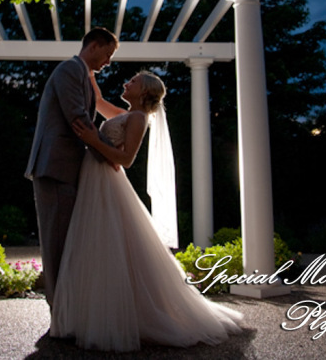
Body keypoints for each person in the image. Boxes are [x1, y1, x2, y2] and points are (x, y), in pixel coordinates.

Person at [50, 71, 246, 352]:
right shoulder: (124, 113)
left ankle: (114, 319)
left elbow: (127, 160)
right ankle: (90, 314)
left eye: (133, 82)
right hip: (95, 179)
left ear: (143, 93)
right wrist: (88, 74)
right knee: (95, 244)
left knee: (109, 244)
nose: (126, 83)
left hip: (106, 182)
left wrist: (92, 140)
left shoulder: (139, 119)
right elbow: (100, 101)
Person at [24, 27, 119, 310]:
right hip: (55, 168)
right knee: (55, 242)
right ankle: (59, 310)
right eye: (108, 53)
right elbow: (78, 120)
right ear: (94, 45)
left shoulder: (82, 75)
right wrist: (109, 155)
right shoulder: (69, 70)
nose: (108, 61)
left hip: (66, 168)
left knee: (66, 240)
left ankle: (66, 308)